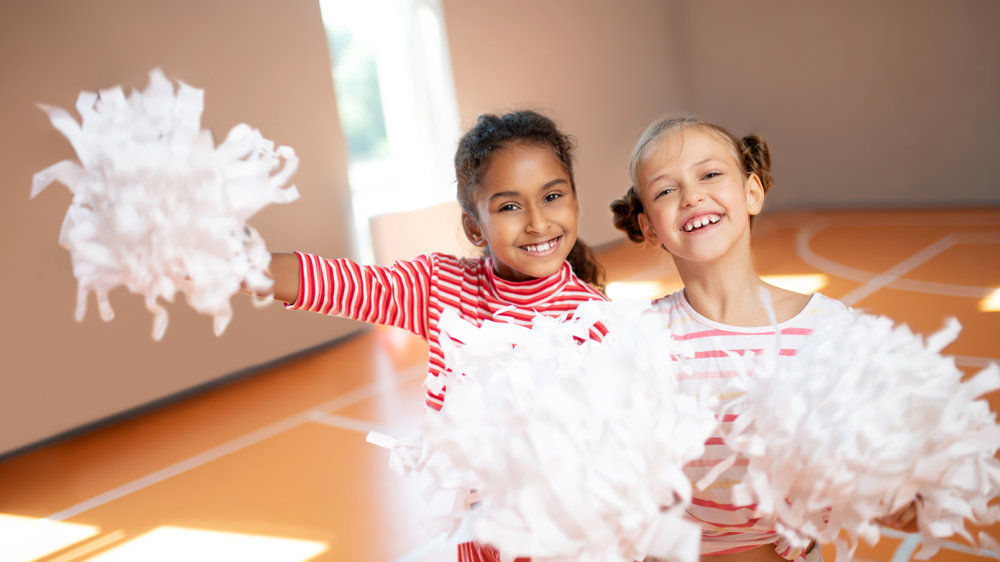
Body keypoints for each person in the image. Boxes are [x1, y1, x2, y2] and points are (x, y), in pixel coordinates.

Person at [250, 110, 607, 562]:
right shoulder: (442, 287)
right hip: (478, 544)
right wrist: (235, 263)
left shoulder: (596, 320)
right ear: (474, 226)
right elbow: (344, 283)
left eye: (552, 196)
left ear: (575, 203)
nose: (537, 222)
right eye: (509, 206)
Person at [610, 116, 917, 562]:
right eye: (665, 190)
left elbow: (876, 450)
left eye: (710, 174)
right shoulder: (637, 339)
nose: (692, 196)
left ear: (752, 192)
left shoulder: (830, 330)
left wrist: (896, 489)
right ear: (651, 227)